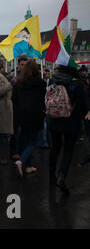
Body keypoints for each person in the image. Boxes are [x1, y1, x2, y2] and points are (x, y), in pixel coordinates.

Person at [48, 65, 86, 195]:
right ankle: (61, 176)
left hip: (54, 120)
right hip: (71, 121)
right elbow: (81, 104)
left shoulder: (53, 82)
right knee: (68, 151)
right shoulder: (77, 84)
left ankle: (51, 176)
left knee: (55, 149)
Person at [12, 61, 46, 177]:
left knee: (25, 140)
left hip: (23, 115)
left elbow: (14, 100)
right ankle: (21, 161)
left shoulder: (18, 83)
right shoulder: (41, 83)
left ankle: (29, 165)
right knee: (33, 142)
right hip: (36, 115)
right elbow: (42, 100)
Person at [9, 55, 29, 161]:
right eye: (22, 64)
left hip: (26, 108)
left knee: (24, 132)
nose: (24, 67)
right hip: (16, 108)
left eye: (26, 65)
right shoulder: (12, 76)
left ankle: (22, 150)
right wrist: (12, 83)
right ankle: (14, 151)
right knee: (15, 132)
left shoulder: (30, 77)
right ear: (18, 65)